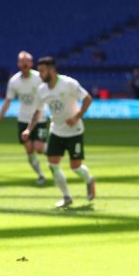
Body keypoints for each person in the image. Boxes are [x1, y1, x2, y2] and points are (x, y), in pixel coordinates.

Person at [22, 57, 95, 208]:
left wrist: (76, 117)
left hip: (74, 131)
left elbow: (87, 98)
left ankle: (89, 180)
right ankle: (67, 197)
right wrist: (29, 129)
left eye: (42, 71)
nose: (40, 74)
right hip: (56, 131)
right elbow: (38, 111)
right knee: (53, 164)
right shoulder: (42, 90)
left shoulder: (69, 83)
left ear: (52, 70)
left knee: (75, 167)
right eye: (39, 71)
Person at [0, 51, 47, 185]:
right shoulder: (14, 81)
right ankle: (41, 175)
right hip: (23, 119)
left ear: (32, 63)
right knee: (29, 149)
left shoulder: (39, 78)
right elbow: (8, 101)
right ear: (18, 64)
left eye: (27, 61)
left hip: (39, 118)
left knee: (39, 148)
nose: (25, 63)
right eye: (22, 61)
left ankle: (54, 154)